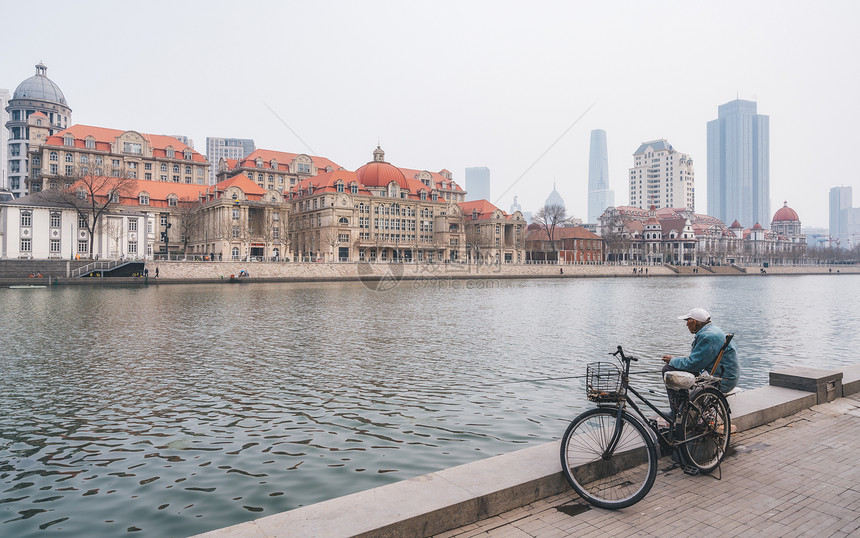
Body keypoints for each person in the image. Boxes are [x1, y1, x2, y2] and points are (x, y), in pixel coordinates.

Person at [662, 308, 740, 416]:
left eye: (687, 321)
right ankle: (685, 408)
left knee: (668, 370)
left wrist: (673, 360)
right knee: (677, 369)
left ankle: (678, 413)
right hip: (726, 375)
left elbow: (693, 364)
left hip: (722, 380)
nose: (686, 325)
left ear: (694, 322)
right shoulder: (712, 330)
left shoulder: (707, 336)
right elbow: (698, 360)